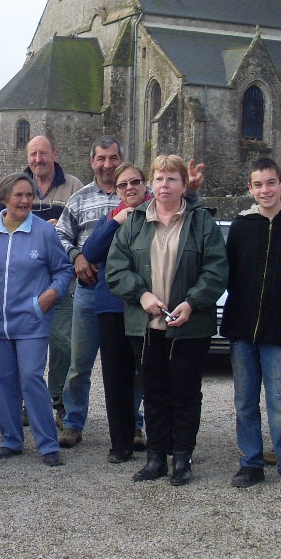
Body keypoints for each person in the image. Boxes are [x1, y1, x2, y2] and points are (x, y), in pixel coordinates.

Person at [107, 155, 228, 486]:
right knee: (154, 392)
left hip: (189, 325)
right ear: (152, 184)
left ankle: (183, 457)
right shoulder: (135, 222)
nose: (165, 185)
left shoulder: (201, 222)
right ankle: (156, 457)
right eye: (159, 178)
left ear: (183, 185)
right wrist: (142, 295)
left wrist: (192, 302)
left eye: (172, 179)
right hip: (146, 326)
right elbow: (116, 268)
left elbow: (216, 269)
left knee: (186, 393)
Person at [221, 158, 281, 496]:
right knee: (245, 401)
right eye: (258, 185)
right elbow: (231, 275)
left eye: (270, 183)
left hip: (280, 328)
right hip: (242, 326)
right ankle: (251, 462)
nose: (265, 190)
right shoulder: (241, 228)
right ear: (250, 189)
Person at [0, 173, 73, 466]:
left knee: (31, 377)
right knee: (2, 380)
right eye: (18, 195)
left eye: (29, 195)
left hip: (32, 321)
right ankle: (11, 440)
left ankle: (48, 444)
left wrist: (49, 296)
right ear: (4, 198)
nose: (25, 200)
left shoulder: (43, 232)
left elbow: (63, 270)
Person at [55, 136, 123, 448]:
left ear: (121, 159)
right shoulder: (79, 199)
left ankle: (133, 425)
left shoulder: (138, 194)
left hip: (128, 293)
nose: (107, 165)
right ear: (92, 161)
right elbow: (60, 236)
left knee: (129, 364)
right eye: (101, 159)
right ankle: (72, 423)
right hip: (89, 289)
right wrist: (77, 258)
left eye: (113, 158)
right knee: (79, 363)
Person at [81, 161, 149, 463]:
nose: (129, 188)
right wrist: (116, 221)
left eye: (135, 182)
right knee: (116, 376)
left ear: (144, 184)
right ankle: (120, 443)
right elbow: (91, 252)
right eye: (123, 184)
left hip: (147, 305)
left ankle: (158, 440)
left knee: (150, 375)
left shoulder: (157, 213)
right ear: (117, 190)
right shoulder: (112, 216)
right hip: (112, 306)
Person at [23, 134, 83, 421]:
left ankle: (59, 401)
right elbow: (5, 225)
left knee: (63, 345)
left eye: (43, 153)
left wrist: (61, 227)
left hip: (63, 279)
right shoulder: (18, 185)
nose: (38, 159)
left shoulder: (73, 186)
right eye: (33, 154)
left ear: (55, 154)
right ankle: (30, 402)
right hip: (27, 282)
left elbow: (82, 229)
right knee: (29, 346)